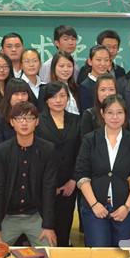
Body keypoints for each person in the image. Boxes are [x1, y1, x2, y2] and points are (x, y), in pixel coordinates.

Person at [75, 94, 130, 247]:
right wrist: (94, 205)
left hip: (123, 208)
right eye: (110, 112)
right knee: (99, 251)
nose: (115, 117)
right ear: (102, 113)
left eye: (119, 112)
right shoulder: (90, 139)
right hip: (94, 207)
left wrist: (127, 207)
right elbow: (81, 175)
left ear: (125, 115)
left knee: (122, 254)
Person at [0, 101, 57, 247]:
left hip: (36, 215)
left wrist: (48, 226)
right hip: (8, 216)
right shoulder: (2, 151)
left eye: (30, 118)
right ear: (12, 122)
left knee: (50, 250)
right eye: (19, 118)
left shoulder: (48, 150)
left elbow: (49, 189)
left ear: (37, 122)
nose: (24, 123)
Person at [37, 82, 81, 247]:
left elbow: (81, 153)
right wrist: (49, 185)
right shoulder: (38, 121)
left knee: (64, 229)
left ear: (68, 98)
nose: (58, 100)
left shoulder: (76, 120)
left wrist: (73, 180)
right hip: (44, 185)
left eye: (62, 96)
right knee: (45, 233)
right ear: (46, 99)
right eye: (53, 96)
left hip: (69, 186)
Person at [0, 78, 33, 145]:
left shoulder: (33, 116)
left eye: (24, 94)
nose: (20, 98)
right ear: (8, 96)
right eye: (16, 94)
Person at [39, 51, 80, 115]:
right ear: (54, 67)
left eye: (69, 66)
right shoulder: (45, 90)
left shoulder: (77, 89)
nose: (65, 69)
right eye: (61, 66)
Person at [80, 74, 117, 139]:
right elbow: (85, 141)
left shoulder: (121, 112)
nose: (107, 94)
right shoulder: (89, 115)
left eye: (111, 89)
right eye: (103, 90)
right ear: (96, 92)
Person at [78, 45, 113, 112]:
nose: (103, 64)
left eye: (106, 60)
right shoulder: (84, 87)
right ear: (90, 61)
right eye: (98, 60)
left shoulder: (112, 83)